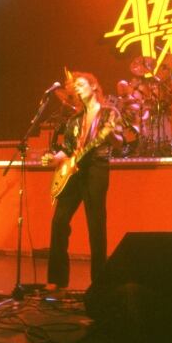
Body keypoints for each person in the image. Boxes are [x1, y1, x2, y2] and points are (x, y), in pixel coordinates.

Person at [42, 72, 122, 289]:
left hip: (97, 166)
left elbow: (120, 141)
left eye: (81, 84)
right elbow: (67, 150)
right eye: (74, 86)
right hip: (74, 171)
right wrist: (54, 158)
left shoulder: (109, 113)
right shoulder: (74, 120)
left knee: (96, 224)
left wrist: (111, 134)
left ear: (94, 86)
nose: (76, 88)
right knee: (59, 221)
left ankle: (99, 282)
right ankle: (57, 280)